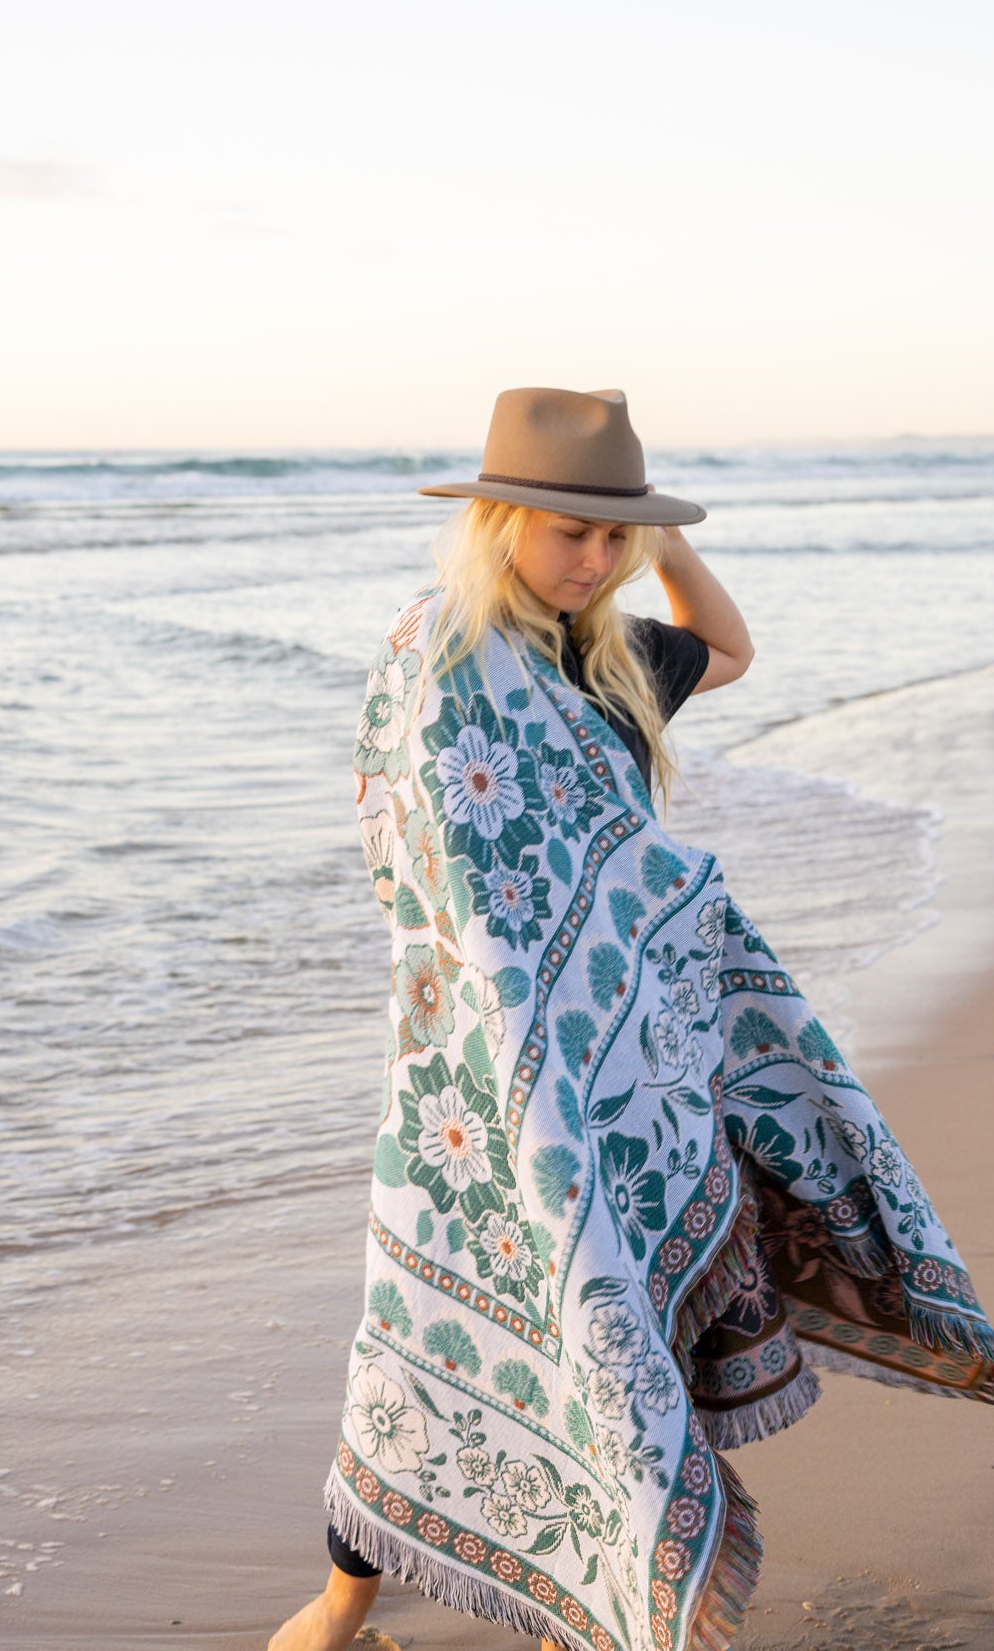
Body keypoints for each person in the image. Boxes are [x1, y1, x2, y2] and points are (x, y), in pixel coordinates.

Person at [271, 389, 993, 1651]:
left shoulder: (610, 658)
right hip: (486, 1076)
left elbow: (727, 645)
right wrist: (522, 1006)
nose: (593, 558)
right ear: (499, 521)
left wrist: (667, 541)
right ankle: (335, 1611)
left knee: (631, 1313)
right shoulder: (438, 652)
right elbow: (432, 864)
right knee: (432, 1321)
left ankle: (588, 1596)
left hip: (640, 1067)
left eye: (616, 538)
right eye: (570, 532)